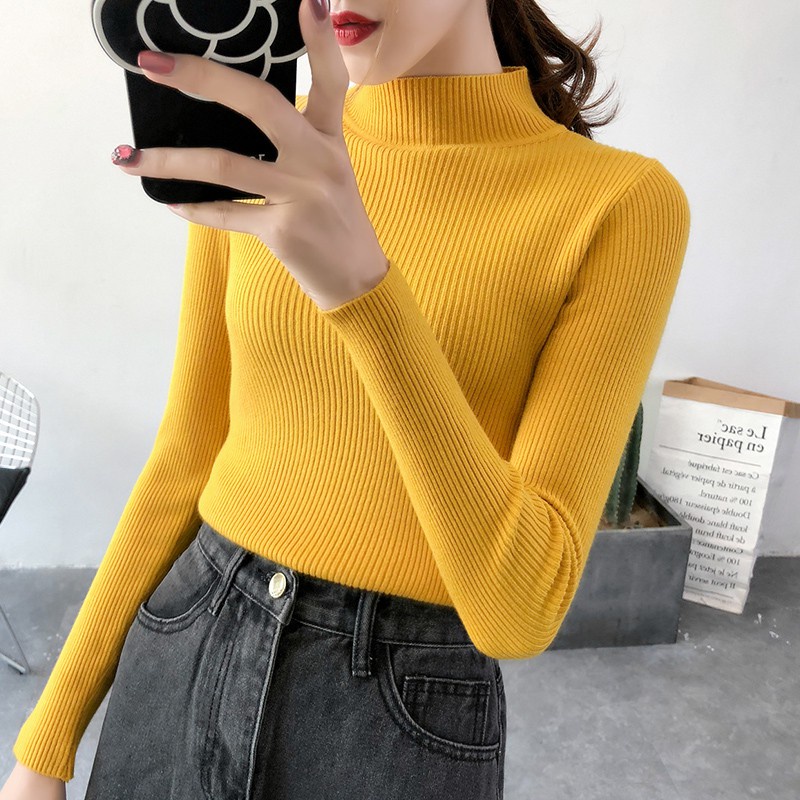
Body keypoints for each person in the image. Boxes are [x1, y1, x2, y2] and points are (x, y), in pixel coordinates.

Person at [2, 0, 691, 797]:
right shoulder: (270, 145)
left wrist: (364, 293)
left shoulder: (622, 203)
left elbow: (519, 610)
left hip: (397, 706)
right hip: (186, 637)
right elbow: (186, 455)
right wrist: (45, 743)